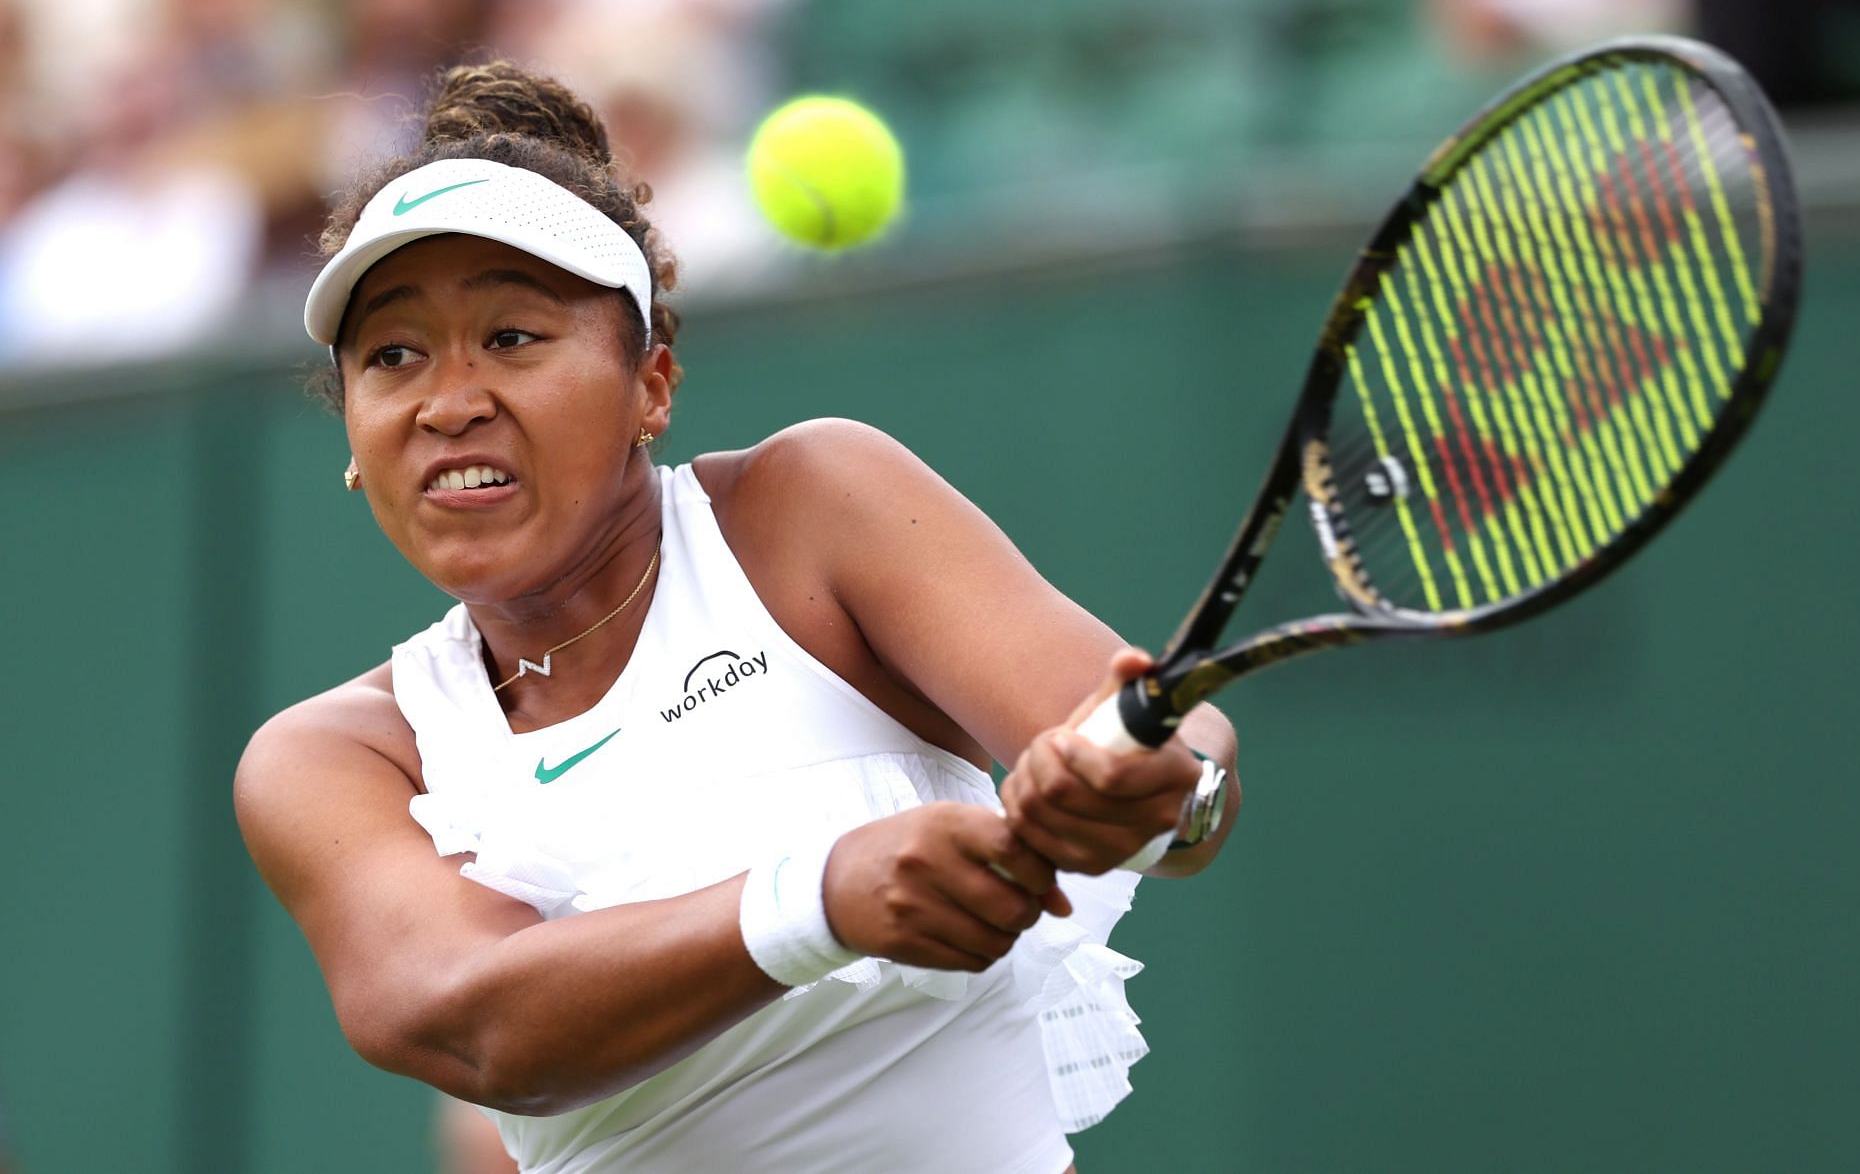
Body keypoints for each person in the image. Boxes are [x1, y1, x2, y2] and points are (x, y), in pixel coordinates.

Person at [235, 60, 1240, 1173]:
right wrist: (821, 897)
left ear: (650, 385)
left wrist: (1160, 795)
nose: (450, 400)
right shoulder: (331, 759)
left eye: (513, 337)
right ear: (354, 442)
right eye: (393, 356)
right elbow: (468, 1020)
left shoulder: (814, 510)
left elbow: (1171, 758)